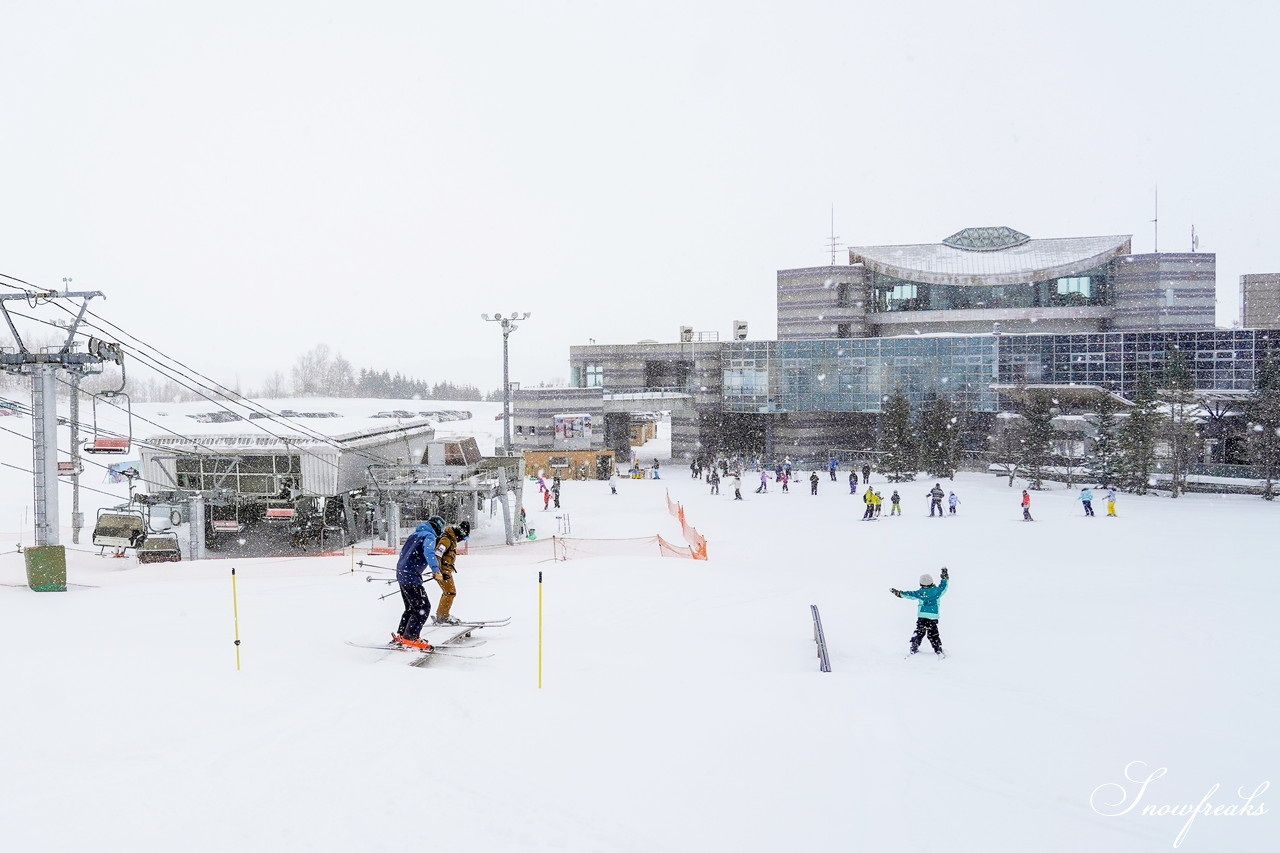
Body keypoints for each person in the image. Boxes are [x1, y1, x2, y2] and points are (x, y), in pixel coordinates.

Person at [393, 518, 442, 649]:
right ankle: (411, 638)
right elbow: (429, 552)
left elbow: (402, 553)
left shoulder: (414, 535)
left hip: (402, 574)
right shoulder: (429, 536)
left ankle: (403, 635)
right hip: (411, 576)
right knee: (423, 607)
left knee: (411, 607)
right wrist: (435, 569)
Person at [890, 567, 949, 656]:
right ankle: (938, 650)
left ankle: (914, 647)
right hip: (933, 616)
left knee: (919, 631)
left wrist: (899, 593)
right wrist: (944, 577)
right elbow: (943, 586)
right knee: (933, 633)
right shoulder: (937, 591)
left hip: (922, 616)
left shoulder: (920, 593)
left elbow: (909, 594)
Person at [432, 520, 470, 625]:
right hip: (443, 571)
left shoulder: (450, 539)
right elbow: (437, 555)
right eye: (464, 538)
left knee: (449, 592)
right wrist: (438, 571)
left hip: (445, 570)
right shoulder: (446, 540)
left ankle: (442, 614)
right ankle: (442, 617)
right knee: (450, 592)